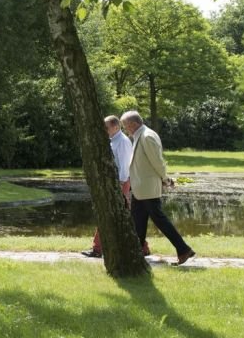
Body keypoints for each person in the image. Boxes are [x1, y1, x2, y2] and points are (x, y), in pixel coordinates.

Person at [122, 110, 196, 266]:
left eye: (126, 126)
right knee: (138, 221)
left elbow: (158, 162)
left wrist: (165, 179)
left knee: (159, 220)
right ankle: (137, 254)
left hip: (147, 188)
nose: (125, 129)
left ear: (134, 124)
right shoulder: (139, 136)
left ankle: (183, 250)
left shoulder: (147, 136)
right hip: (141, 188)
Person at [82, 115, 149, 258]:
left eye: (106, 127)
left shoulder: (122, 142)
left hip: (121, 183)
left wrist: (121, 184)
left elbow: (125, 165)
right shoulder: (113, 140)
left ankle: (98, 249)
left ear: (116, 127)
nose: (104, 130)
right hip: (115, 182)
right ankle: (142, 247)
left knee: (118, 214)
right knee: (119, 214)